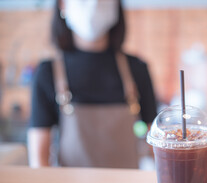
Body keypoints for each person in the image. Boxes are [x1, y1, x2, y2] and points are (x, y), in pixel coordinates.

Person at [28, 0, 157, 168]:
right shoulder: (47, 73)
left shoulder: (137, 69)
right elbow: (39, 159)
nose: (93, 4)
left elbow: (154, 143)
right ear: (62, 5)